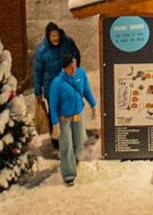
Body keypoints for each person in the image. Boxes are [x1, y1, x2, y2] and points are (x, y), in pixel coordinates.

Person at [46, 55, 96, 186]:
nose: (73, 69)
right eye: (70, 67)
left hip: (78, 115)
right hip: (64, 119)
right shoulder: (57, 83)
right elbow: (53, 105)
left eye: (74, 66)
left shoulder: (81, 74)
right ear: (64, 68)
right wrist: (55, 123)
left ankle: (74, 160)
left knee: (79, 141)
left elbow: (86, 90)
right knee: (66, 144)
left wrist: (93, 104)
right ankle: (68, 174)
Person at [32, 23, 79, 131]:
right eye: (52, 36)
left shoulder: (67, 43)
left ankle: (69, 133)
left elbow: (76, 56)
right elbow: (37, 73)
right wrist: (38, 92)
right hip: (51, 88)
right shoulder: (41, 51)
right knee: (55, 112)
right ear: (48, 36)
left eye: (57, 35)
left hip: (68, 85)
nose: (55, 38)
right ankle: (55, 135)